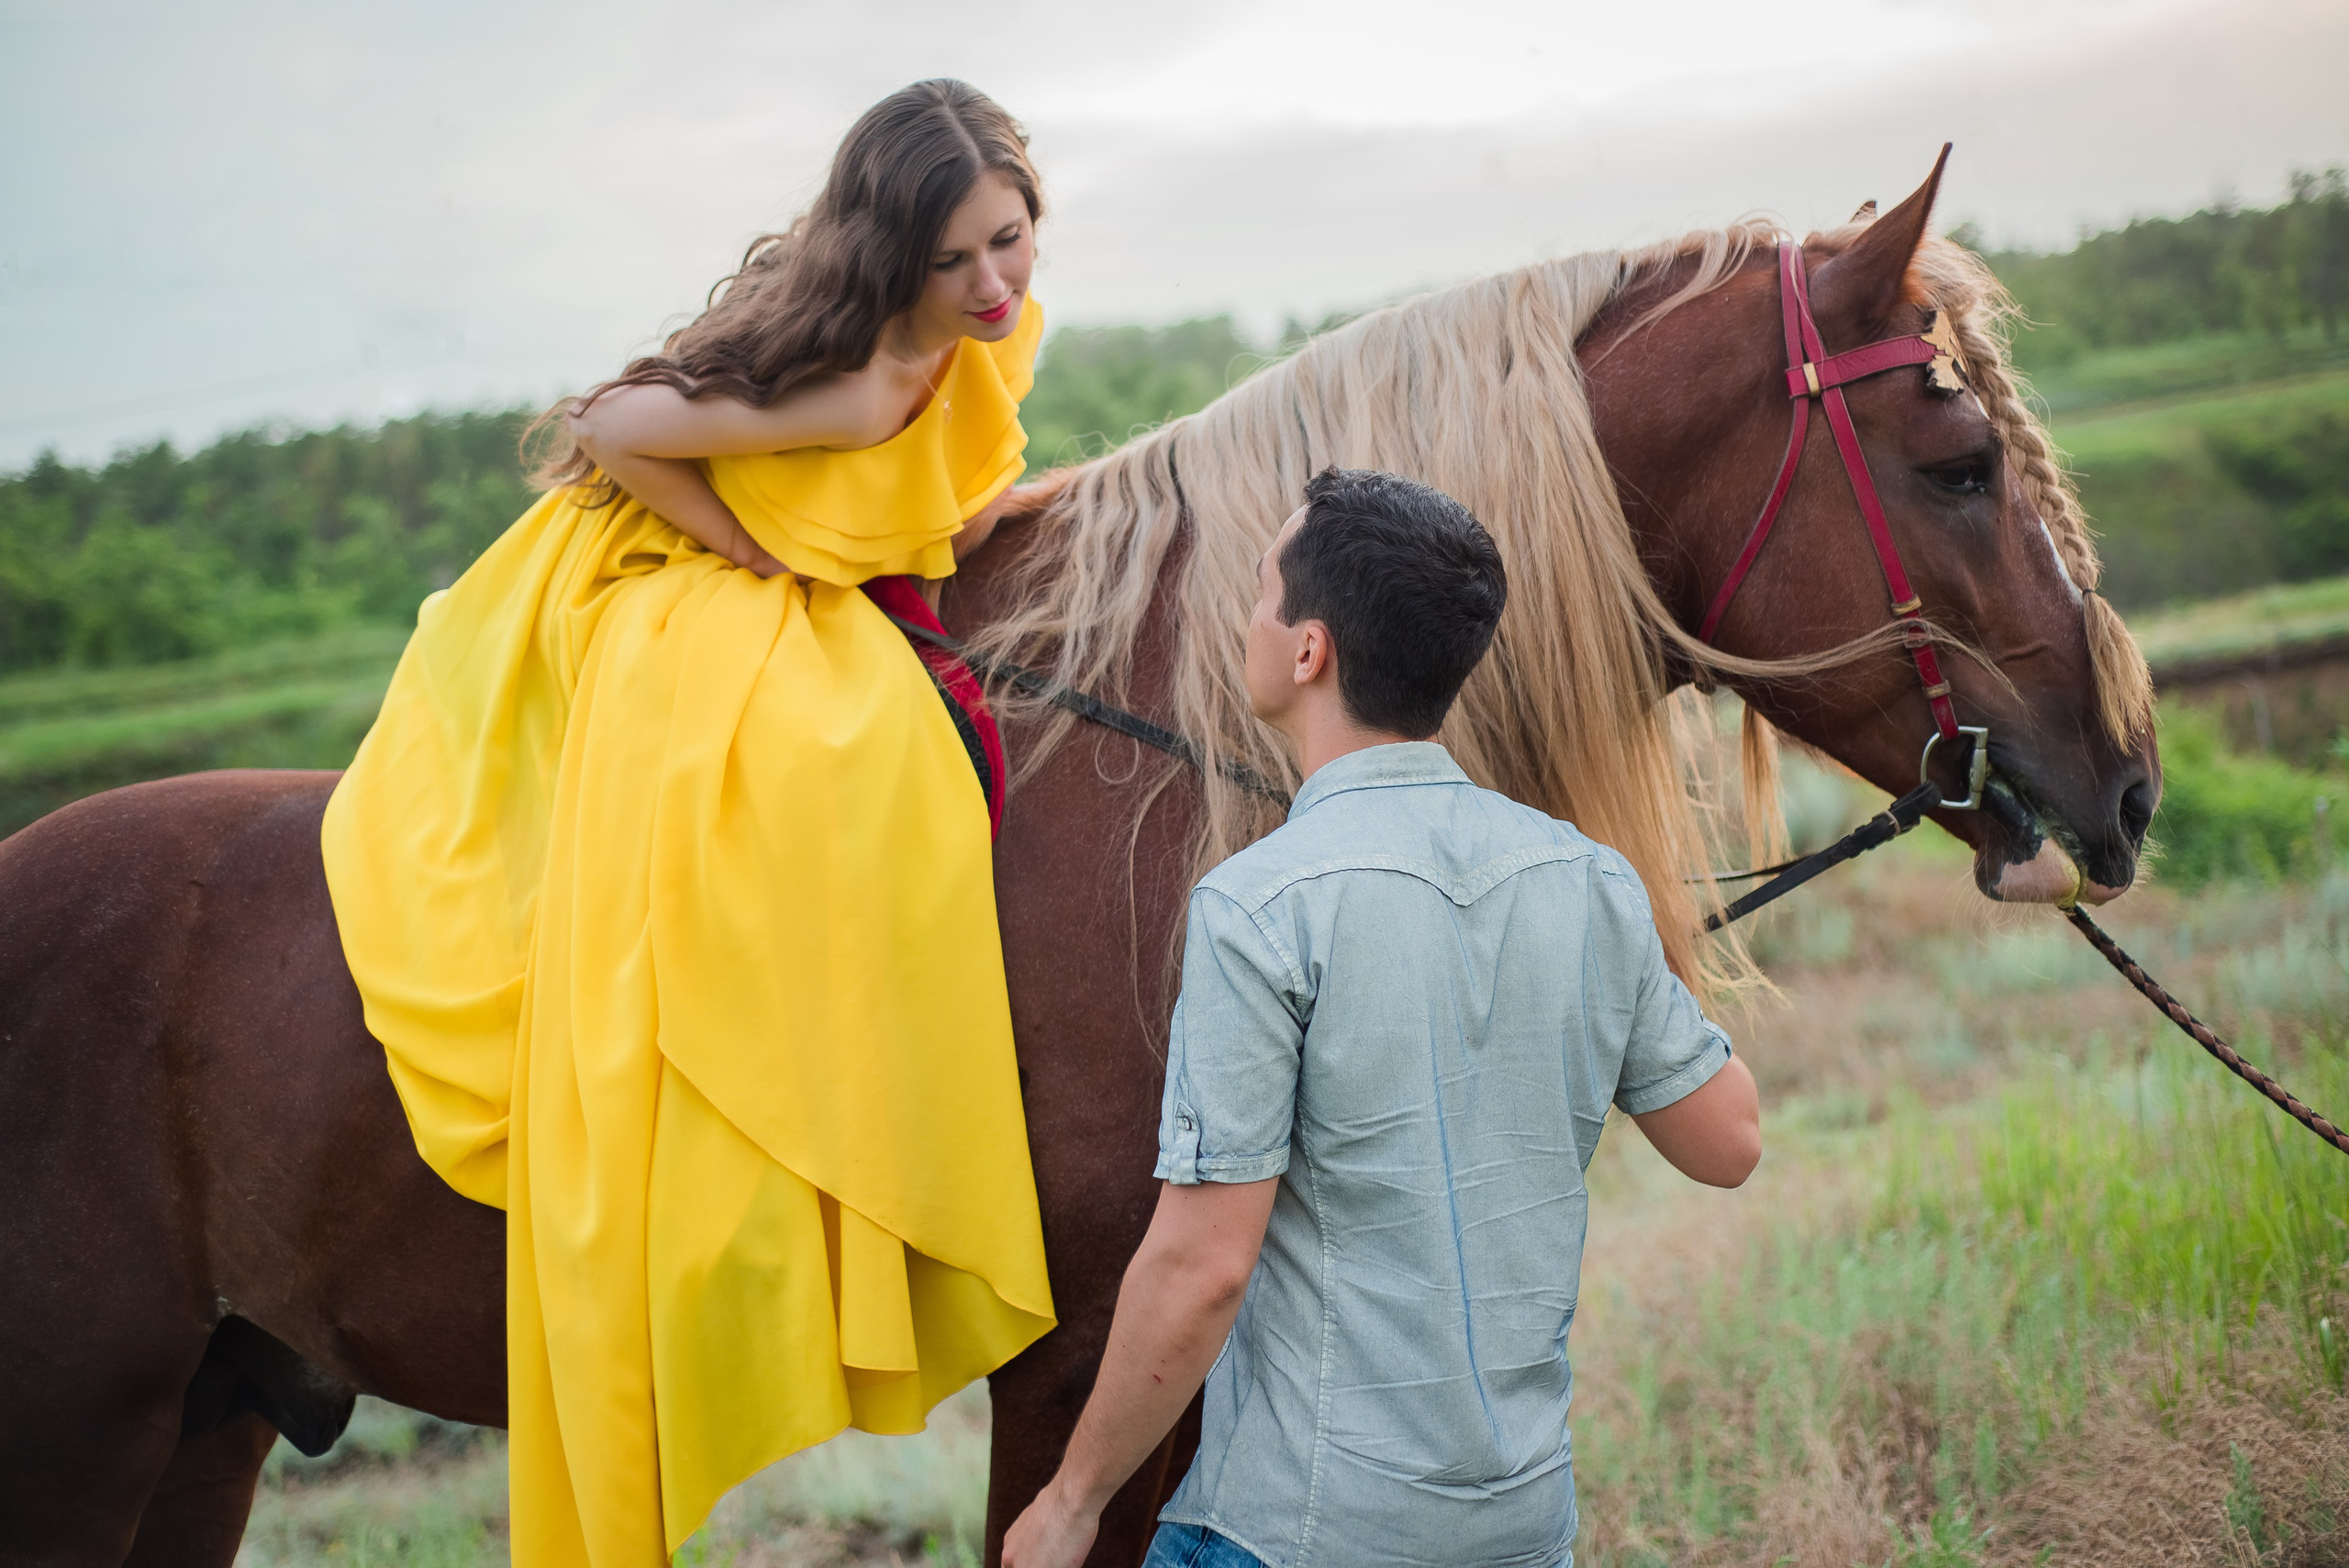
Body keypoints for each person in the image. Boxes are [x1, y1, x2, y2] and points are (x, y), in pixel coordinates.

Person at [320, 80, 1057, 1566]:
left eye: (1013, 240)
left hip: (773, 560)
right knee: (839, 748)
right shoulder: (854, 369)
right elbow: (609, 423)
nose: (993, 284)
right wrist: (737, 537)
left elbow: (927, 499)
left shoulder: (977, 341)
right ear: (893, 256)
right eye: (955, 261)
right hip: (652, 582)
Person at [1003, 469, 1763, 1568]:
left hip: (1299, 1529)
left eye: (1263, 593)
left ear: (1308, 650)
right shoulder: (1589, 881)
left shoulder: (1259, 906)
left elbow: (1203, 1264)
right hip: (1521, 1526)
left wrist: (1071, 1500)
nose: (1246, 618)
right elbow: (1728, 1141)